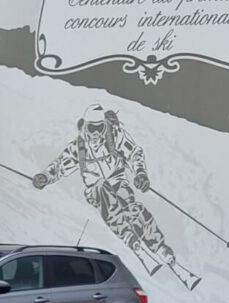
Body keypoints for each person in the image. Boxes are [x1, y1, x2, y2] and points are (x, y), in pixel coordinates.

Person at [32, 104, 200, 290]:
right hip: (95, 187)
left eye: (99, 127)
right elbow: (60, 165)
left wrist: (140, 174)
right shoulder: (79, 146)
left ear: (104, 125)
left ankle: (161, 249)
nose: (96, 133)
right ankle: (133, 241)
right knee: (107, 199)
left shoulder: (115, 135)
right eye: (92, 128)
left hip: (118, 180)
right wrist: (45, 177)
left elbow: (134, 153)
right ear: (85, 126)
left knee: (132, 208)